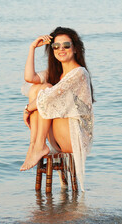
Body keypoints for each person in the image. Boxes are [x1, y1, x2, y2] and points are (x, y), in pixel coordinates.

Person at [20, 27, 95, 191]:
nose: (61, 49)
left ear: (75, 49)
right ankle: (34, 145)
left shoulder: (79, 73)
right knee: (37, 89)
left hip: (74, 136)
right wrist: (32, 47)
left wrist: (27, 109)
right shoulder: (55, 73)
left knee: (44, 93)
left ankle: (38, 145)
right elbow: (29, 78)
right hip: (58, 137)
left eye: (66, 45)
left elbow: (47, 98)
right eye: (56, 46)